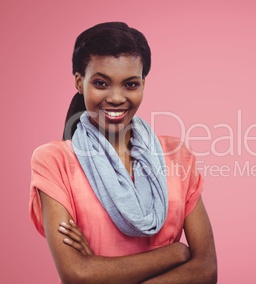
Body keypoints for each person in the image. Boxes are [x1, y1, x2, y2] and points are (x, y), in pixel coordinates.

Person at [29, 22, 217, 284]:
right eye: (101, 83)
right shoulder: (54, 161)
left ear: (142, 84)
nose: (116, 97)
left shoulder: (176, 154)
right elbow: (77, 274)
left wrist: (101, 268)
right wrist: (175, 253)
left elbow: (206, 271)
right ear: (79, 82)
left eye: (130, 85)